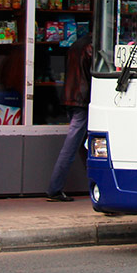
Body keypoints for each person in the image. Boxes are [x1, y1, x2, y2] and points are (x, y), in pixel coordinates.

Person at [45, 32, 92, 202]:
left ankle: (97, 186)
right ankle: (54, 188)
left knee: (85, 147)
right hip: (83, 101)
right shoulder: (93, 47)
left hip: (71, 98)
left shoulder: (76, 45)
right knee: (72, 147)